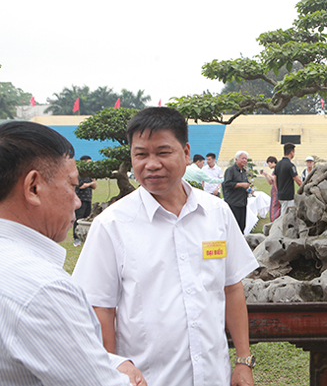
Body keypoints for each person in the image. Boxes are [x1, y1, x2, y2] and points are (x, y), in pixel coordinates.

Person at [72, 108, 259, 386]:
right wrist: (113, 372)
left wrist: (243, 361)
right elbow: (101, 309)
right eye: (141, 154)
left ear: (185, 152)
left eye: (162, 152)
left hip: (213, 376)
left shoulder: (217, 213)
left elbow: (231, 288)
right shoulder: (111, 225)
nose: (151, 164)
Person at [0, 121, 146, 386]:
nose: (77, 201)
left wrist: (112, 361)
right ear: (34, 187)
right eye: (72, 186)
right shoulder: (44, 289)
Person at [222, 150, 251, 233]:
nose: (244, 160)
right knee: (233, 226)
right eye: (242, 158)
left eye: (246, 159)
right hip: (233, 202)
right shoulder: (230, 170)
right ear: (236, 159)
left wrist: (248, 188)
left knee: (242, 225)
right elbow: (227, 184)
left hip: (242, 202)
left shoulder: (244, 171)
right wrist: (241, 185)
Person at [73, 154, 97, 246]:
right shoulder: (79, 174)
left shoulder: (89, 175)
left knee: (87, 217)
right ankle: (76, 238)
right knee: (78, 218)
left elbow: (94, 186)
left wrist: (93, 180)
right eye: (89, 163)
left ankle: (86, 237)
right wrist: (90, 183)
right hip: (80, 199)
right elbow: (81, 186)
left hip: (88, 199)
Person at [274, 143, 302, 213]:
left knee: (283, 212)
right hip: (288, 196)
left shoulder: (278, 164)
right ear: (291, 152)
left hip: (281, 195)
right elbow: (298, 180)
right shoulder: (290, 165)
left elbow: (275, 179)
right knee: (287, 216)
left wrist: (278, 191)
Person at [262, 156, 281, 221]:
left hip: (277, 191)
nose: (268, 165)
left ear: (273, 162)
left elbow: (275, 179)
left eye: (269, 163)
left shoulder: (278, 169)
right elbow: (270, 182)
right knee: (273, 206)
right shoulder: (274, 171)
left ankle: (274, 220)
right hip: (273, 192)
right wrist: (265, 175)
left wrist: (268, 174)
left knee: (275, 206)